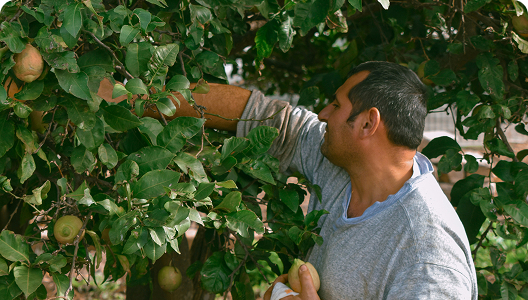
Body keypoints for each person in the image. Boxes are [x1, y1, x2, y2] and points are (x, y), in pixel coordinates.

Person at [100, 61, 477, 299]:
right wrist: (135, 98)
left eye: (336, 104)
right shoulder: (343, 166)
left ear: (367, 123)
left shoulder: (427, 260)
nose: (323, 114)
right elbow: (265, 117)